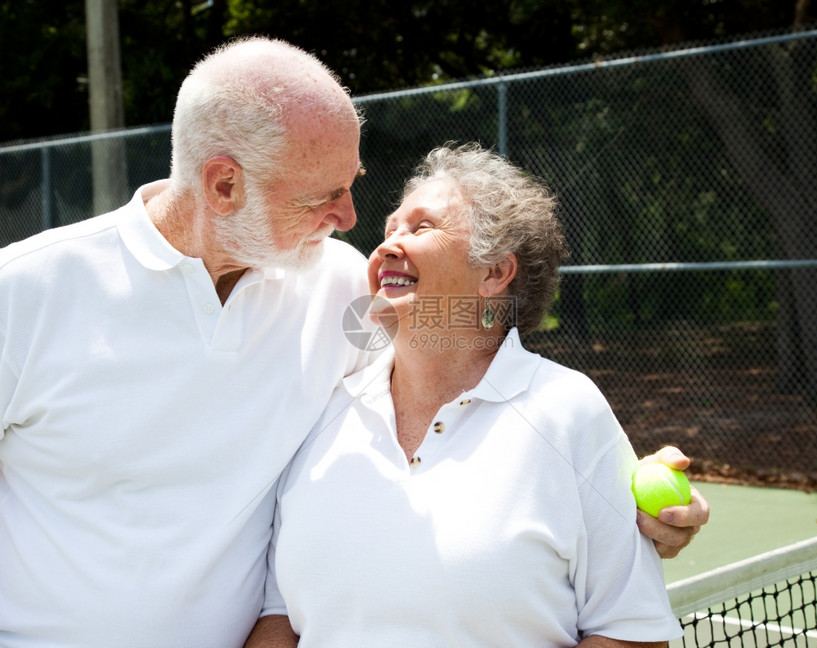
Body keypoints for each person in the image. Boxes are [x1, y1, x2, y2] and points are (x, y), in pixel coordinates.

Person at [0, 38, 706, 648]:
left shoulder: (342, 288)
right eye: (323, 196)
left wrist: (625, 495)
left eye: (354, 185)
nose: (350, 218)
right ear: (223, 185)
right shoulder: (22, 293)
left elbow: (470, 365)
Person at [251, 144, 689, 647]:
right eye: (390, 228)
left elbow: (631, 630)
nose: (388, 245)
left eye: (420, 228)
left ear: (494, 273)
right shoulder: (323, 408)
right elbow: (279, 614)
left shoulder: (568, 411)